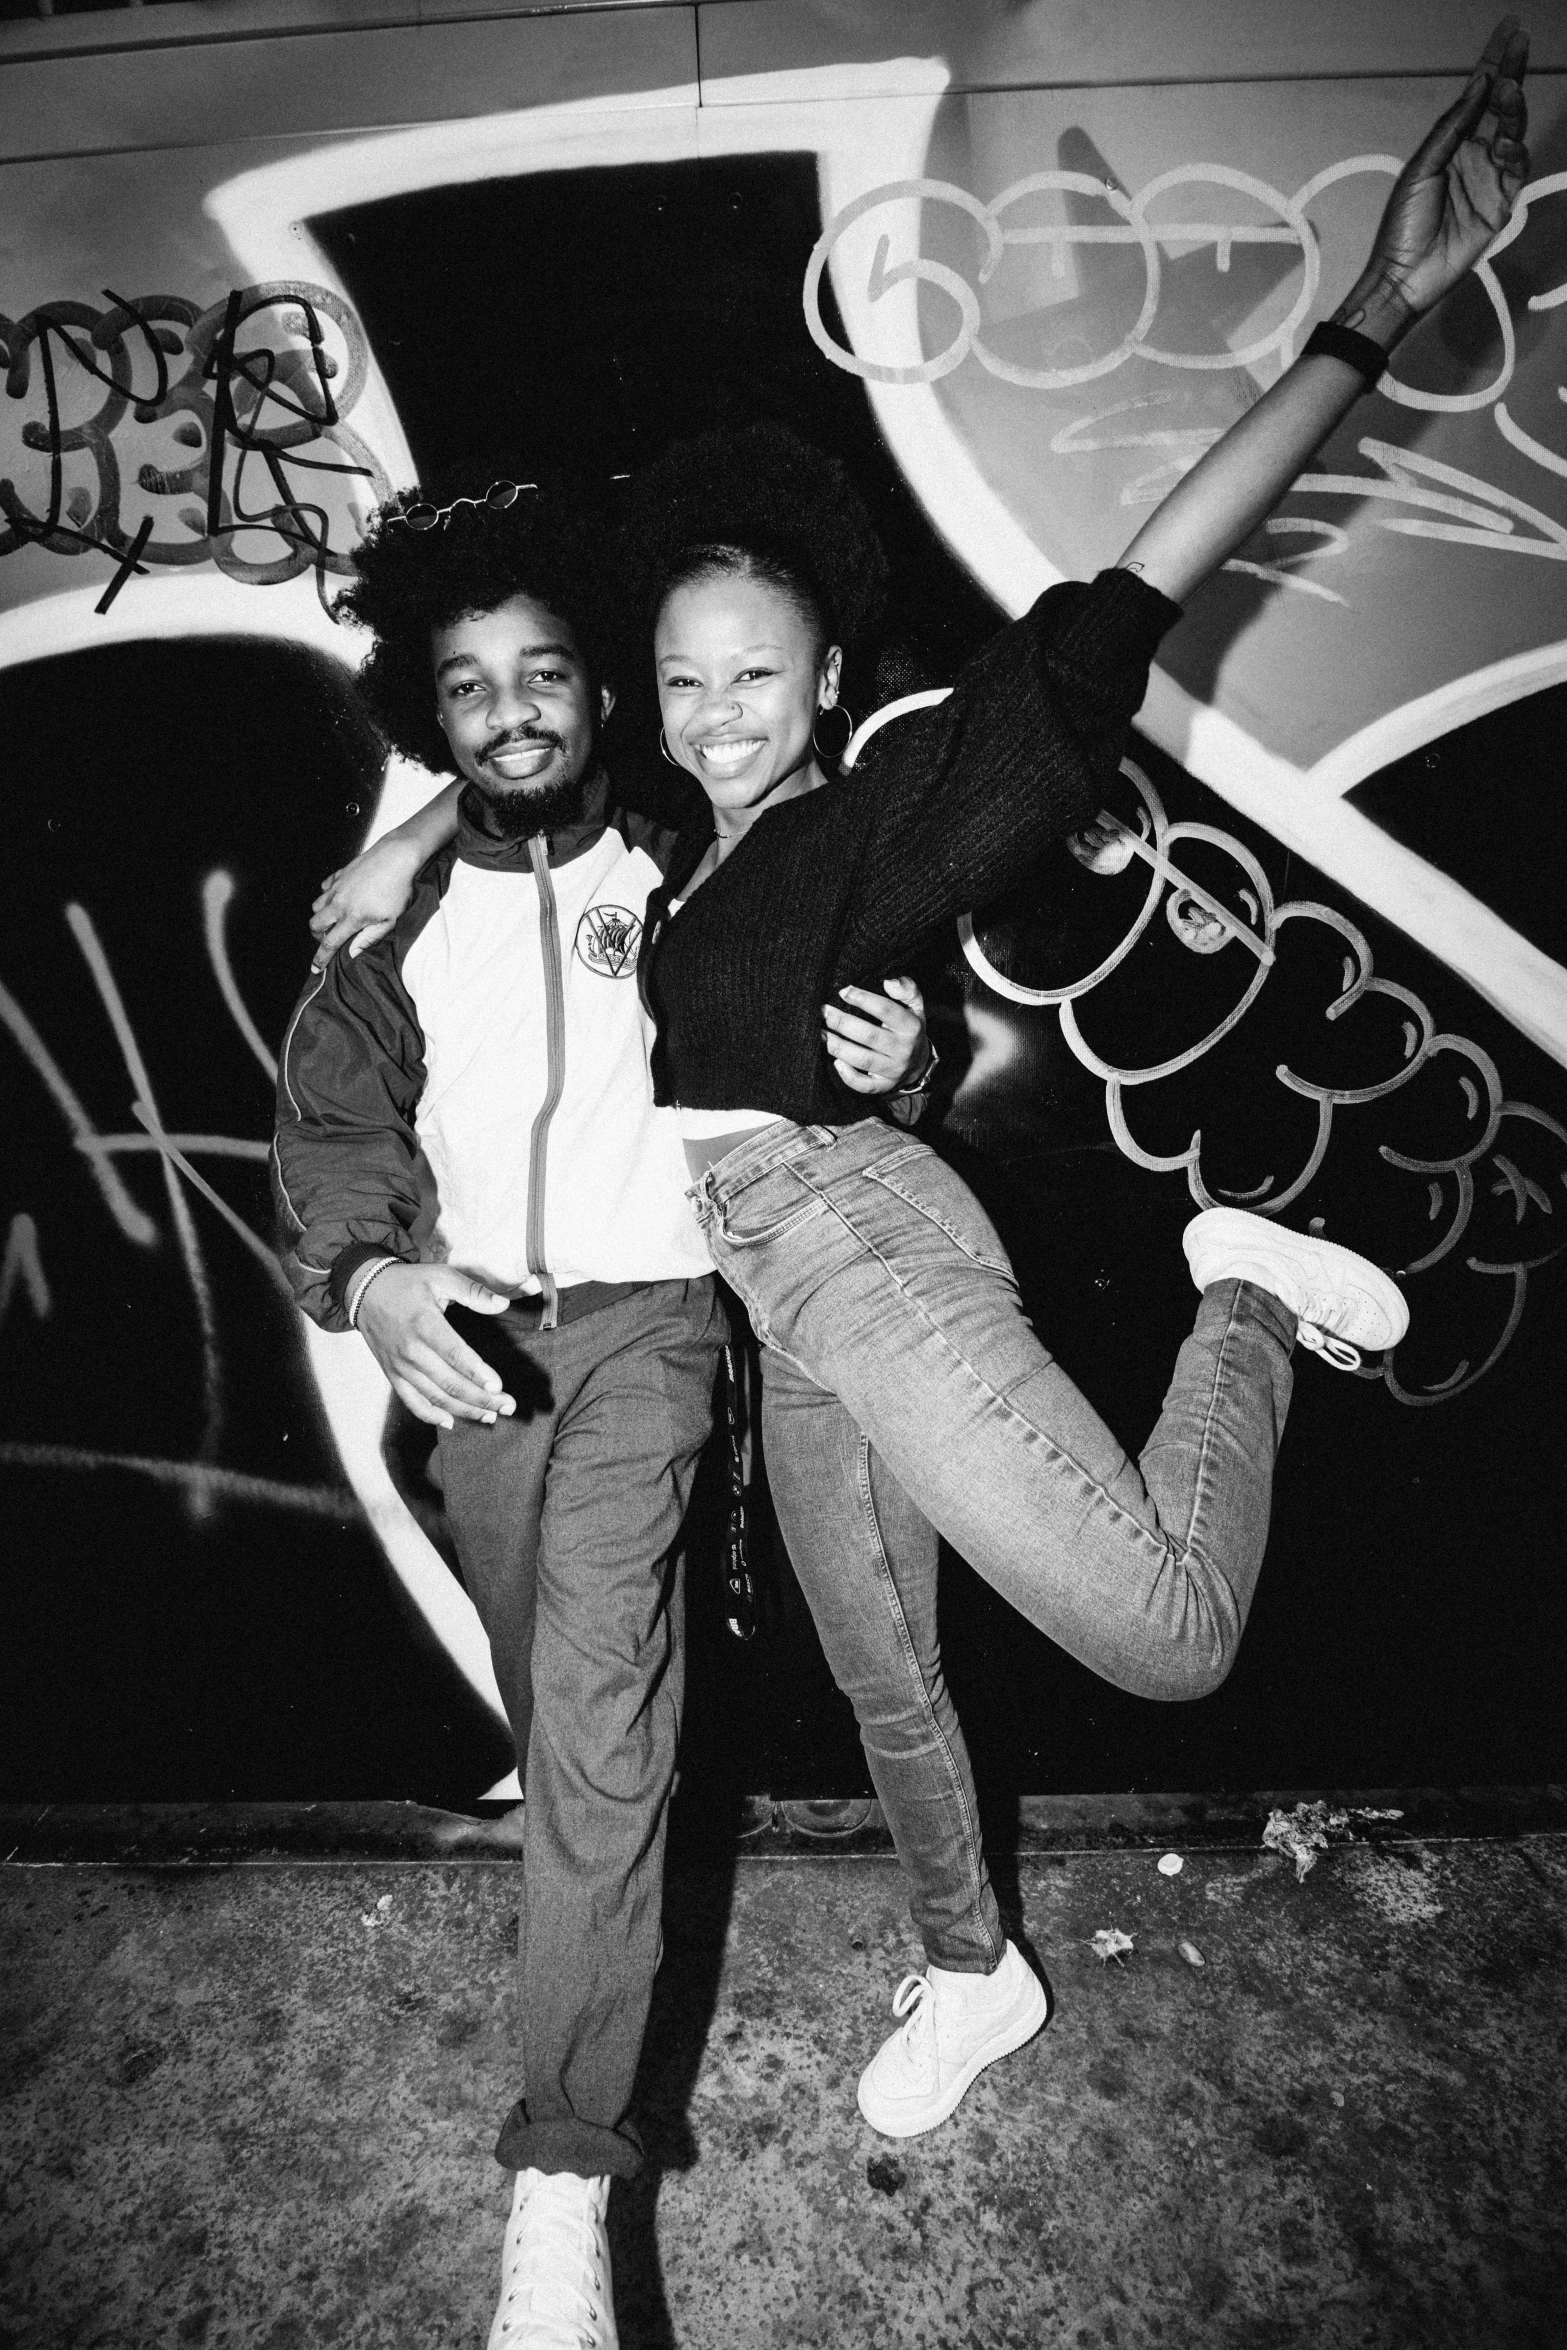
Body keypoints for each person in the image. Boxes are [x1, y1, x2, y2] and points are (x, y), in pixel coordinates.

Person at [311, 22, 1530, 2151]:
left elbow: (1117, 609)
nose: (708, 717)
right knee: (888, 1670)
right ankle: (978, 1963)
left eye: (752, 680)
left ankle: (1241, 1295)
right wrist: (416, 823)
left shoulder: (867, 826)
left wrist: (1377, 306)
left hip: (846, 1240)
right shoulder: (640, 851)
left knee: (1166, 1633)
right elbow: (505, 744)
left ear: (832, 686)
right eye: (678, 681)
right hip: (770, 1287)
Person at [271, 490, 931, 2350]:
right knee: (558, 1697)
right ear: (429, 709)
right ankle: (588, 1889)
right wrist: (378, 1281)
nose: (509, 714)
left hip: (650, 1326)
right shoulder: (383, 930)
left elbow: (839, 935)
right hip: (477, 1343)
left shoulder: (686, 849)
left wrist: (907, 1053)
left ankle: (561, 2183)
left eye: (544, 675)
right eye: (466, 689)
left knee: (598, 1699)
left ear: (601, 693)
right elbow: (329, 1129)